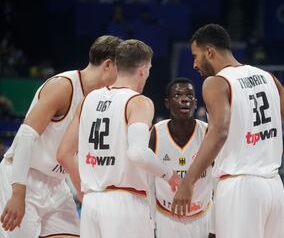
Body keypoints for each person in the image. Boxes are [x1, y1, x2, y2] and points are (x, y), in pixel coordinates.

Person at [170, 23, 284, 238]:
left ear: (210, 51)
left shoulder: (215, 83)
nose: (194, 63)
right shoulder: (268, 78)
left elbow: (219, 132)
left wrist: (188, 181)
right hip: (273, 187)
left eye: (195, 56)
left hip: (239, 187)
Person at [0, 35, 122, 238]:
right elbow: (25, 137)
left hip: (55, 184)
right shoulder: (64, 86)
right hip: (22, 177)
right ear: (108, 65)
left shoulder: (98, 100)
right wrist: (18, 193)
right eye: (122, 69)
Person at [57, 39, 179, 238]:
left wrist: (85, 193)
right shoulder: (138, 102)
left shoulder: (88, 100)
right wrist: (169, 175)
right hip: (126, 204)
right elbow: (138, 153)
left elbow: (64, 153)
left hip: (91, 204)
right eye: (148, 69)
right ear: (142, 70)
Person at [149, 77, 214, 238]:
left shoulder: (209, 133)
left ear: (196, 103)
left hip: (202, 216)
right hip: (166, 218)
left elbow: (218, 182)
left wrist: (214, 227)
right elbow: (148, 183)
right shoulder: (155, 133)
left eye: (190, 96)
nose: (184, 99)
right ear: (167, 103)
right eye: (177, 95)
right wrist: (151, 223)